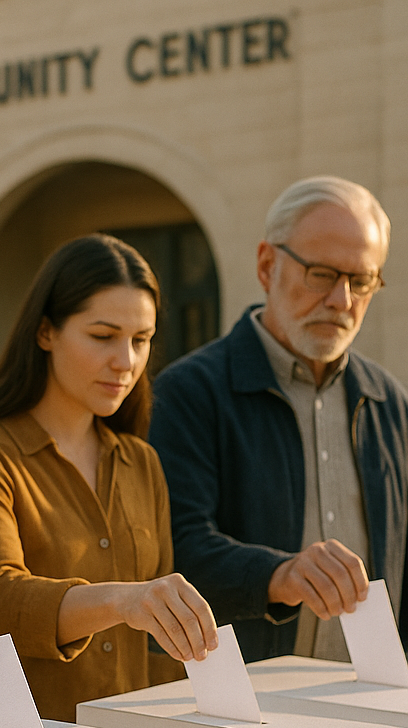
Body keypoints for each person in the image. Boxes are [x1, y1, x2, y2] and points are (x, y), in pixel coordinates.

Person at [0, 235, 217, 722]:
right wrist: (123, 599)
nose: (126, 361)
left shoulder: (141, 461)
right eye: (103, 336)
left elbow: (156, 643)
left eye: (141, 340)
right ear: (45, 332)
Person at [149, 177, 397, 663]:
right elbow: (172, 549)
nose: (343, 301)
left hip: (370, 707)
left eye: (361, 280)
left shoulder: (389, 402)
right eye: (322, 274)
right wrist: (278, 576)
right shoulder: (189, 392)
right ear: (266, 265)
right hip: (241, 712)